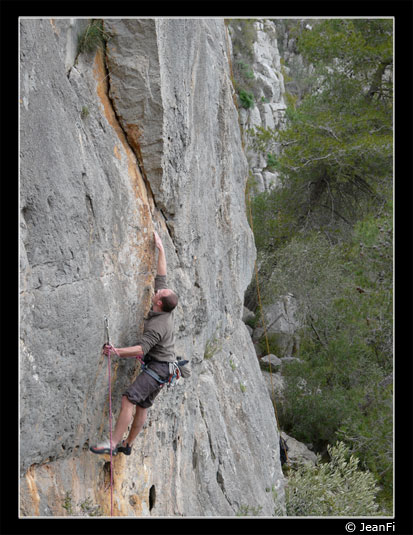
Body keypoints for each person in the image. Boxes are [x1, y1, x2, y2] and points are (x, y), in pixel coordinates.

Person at [90, 231, 179, 456]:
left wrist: (117, 352)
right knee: (143, 405)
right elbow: (162, 275)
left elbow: (141, 349)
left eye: (159, 292)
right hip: (165, 368)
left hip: (158, 367)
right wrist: (161, 249)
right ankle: (128, 445)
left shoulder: (157, 326)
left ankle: (112, 442)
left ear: (159, 302)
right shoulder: (165, 307)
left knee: (129, 399)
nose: (158, 289)